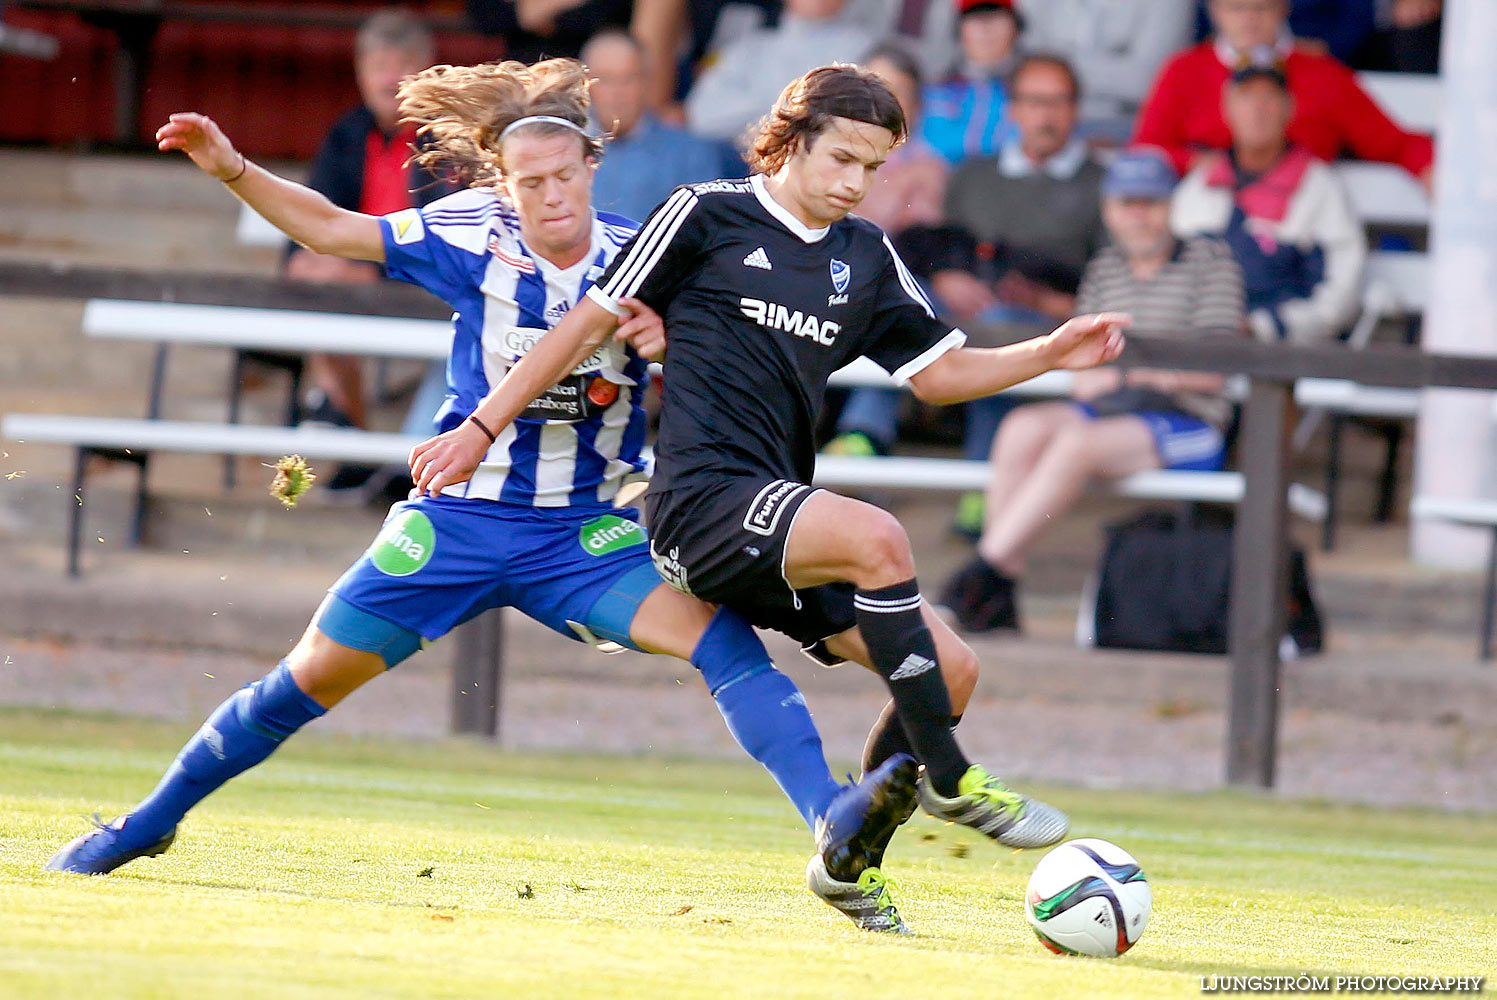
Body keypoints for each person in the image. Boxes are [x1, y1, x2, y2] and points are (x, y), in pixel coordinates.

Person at [47, 58, 919, 937]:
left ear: (590, 169)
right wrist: (232, 166)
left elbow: (734, 349)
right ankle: (146, 825)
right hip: (458, 521)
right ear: (503, 183)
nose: (549, 197)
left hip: (584, 536)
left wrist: (666, 343)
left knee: (724, 643)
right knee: (302, 681)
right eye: (529, 182)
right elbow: (330, 230)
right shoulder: (471, 234)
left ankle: (833, 828)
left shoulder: (648, 252)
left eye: (563, 176)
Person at [407, 63, 1129, 899]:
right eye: (842, 159)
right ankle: (952, 776)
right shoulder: (705, 213)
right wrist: (481, 425)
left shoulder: (864, 255)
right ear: (792, 138)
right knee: (877, 537)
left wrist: (1046, 352)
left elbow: (938, 374)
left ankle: (850, 859)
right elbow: (583, 326)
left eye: (873, 167)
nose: (856, 183)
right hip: (697, 508)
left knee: (951, 668)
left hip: (777, 526)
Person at [941, 147, 1247, 632]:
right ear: (1108, 210)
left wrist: (1131, 375)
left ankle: (984, 573)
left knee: (1075, 442)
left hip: (1191, 420)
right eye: (1128, 202)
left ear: (1172, 206)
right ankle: (1001, 585)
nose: (1140, 214)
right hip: (1112, 411)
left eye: (1151, 201)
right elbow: (1085, 374)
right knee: (1021, 426)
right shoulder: (1105, 268)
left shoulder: (1210, 261)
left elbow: (1217, 369)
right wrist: (1109, 378)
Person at [285, 9, 452, 463]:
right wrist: (298, 256)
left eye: (402, 67)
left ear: (426, 72)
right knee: (317, 283)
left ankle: (348, 429)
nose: (388, 80)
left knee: (330, 288)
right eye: (378, 67)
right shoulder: (347, 133)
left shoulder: (451, 138)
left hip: (434, 287)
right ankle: (350, 435)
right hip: (353, 279)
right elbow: (309, 209)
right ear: (360, 72)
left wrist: (370, 271)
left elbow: (450, 238)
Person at [1135, 0, 1435, 189]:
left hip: (1301, 224)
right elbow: (1147, 148)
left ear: (1283, 7)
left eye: (1261, 7)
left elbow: (1394, 143)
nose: (1249, 18)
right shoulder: (1183, 70)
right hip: (1205, 218)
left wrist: (1430, 169)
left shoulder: (1323, 73)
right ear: (1214, 10)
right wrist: (1199, 164)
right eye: (1237, 7)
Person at [1171, 64, 1365, 344]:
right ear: (1227, 107)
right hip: (1197, 346)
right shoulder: (1201, 184)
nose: (1258, 109)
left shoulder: (1319, 185)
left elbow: (1340, 293)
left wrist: (1265, 328)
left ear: (1290, 107)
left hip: (1284, 355)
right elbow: (1168, 271)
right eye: (1247, 96)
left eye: (1269, 97)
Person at [824, 43, 950, 459]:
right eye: (873, 89)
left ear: (916, 106)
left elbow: (916, 241)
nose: (882, 103)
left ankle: (864, 436)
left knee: (897, 307)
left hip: (889, 280)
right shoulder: (824, 158)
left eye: (898, 92)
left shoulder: (929, 167)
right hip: (823, 273)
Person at [581, 29, 729, 222]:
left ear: (646, 82)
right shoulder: (567, 152)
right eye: (605, 80)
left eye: (628, 78)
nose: (617, 92)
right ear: (585, 86)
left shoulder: (689, 153)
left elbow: (707, 229)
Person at [685, 0, 879, 145]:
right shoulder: (749, 47)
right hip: (741, 162)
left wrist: (754, 116)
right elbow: (702, 116)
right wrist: (789, 110)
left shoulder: (868, 51)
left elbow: (834, 122)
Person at [1014, 0, 1194, 130]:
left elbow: (1152, 82)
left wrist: (1057, 69)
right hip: (1042, 120)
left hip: (1128, 126)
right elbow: (1024, 68)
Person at [920, 0, 1023, 166]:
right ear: (959, 29)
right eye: (975, 18)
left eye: (995, 16)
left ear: (1016, 27)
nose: (985, 29)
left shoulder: (1037, 91)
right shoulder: (932, 92)